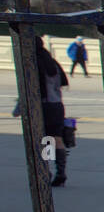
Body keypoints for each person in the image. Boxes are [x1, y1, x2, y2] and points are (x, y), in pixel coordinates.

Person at [35, 40, 70, 186]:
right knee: (57, 139)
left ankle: (46, 171)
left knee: (44, 140)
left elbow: (32, 89)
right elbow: (61, 84)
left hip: (43, 107)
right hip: (57, 106)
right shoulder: (53, 63)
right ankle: (61, 172)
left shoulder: (34, 63)